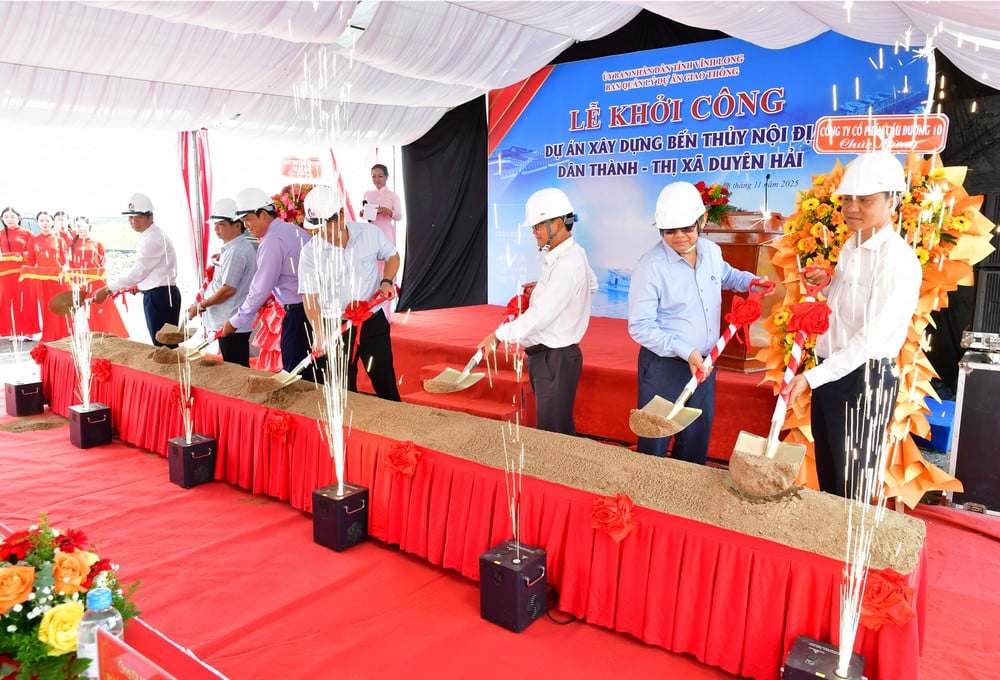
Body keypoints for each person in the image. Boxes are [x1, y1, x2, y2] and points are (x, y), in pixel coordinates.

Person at [786, 152, 921, 499]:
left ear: (892, 200)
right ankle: (828, 548)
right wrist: (826, 284)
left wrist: (812, 377)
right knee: (830, 475)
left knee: (853, 484)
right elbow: (845, 307)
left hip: (865, 380)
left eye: (865, 200)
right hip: (833, 375)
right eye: (848, 199)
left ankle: (847, 553)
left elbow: (872, 339)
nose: (852, 207)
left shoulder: (898, 260)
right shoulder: (851, 245)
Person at [627, 181, 757, 464]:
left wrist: (752, 281)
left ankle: (686, 504)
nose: (679, 236)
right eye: (670, 230)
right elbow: (640, 326)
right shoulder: (650, 267)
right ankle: (650, 501)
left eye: (687, 228)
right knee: (654, 448)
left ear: (702, 220)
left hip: (705, 365)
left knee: (695, 445)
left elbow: (727, 275)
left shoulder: (711, 251)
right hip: (665, 367)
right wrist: (686, 351)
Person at [478, 188, 595, 435]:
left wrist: (500, 335)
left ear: (558, 223)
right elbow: (591, 284)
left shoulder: (566, 264)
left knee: (552, 434)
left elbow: (539, 317)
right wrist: (543, 288)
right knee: (556, 428)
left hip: (554, 359)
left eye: (537, 226)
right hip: (554, 358)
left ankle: (557, 474)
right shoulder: (572, 254)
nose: (534, 233)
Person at [299, 185, 401, 400]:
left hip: (372, 321)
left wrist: (386, 281)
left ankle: (398, 423)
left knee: (385, 379)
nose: (322, 233)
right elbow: (309, 297)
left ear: (342, 215)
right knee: (342, 391)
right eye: (316, 228)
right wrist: (319, 332)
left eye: (326, 225)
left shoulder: (369, 233)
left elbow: (393, 256)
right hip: (335, 325)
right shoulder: (310, 253)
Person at [221, 187, 313, 380]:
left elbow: (259, 290)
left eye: (247, 219)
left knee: (296, 376)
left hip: (299, 315)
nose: (246, 225)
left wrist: (234, 322)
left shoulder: (271, 241)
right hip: (314, 311)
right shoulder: (293, 230)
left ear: (263, 215)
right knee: (312, 374)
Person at [93, 193, 180, 347]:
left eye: (139, 216)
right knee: (163, 345)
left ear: (150, 217)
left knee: (165, 346)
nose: (134, 221)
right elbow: (152, 270)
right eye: (131, 218)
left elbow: (138, 271)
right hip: (159, 294)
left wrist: (108, 289)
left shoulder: (153, 238)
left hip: (160, 297)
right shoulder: (149, 235)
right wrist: (140, 287)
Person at [186, 198, 256, 367]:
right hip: (228, 321)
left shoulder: (236, 252)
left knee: (235, 369)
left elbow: (227, 290)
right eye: (215, 224)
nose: (216, 228)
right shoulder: (232, 249)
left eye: (221, 224)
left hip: (232, 322)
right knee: (234, 366)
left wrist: (201, 306)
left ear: (237, 225)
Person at [67, 216, 128, 338]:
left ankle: (111, 332)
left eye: (84, 226)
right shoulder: (71, 245)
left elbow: (102, 262)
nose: (81, 229)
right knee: (88, 309)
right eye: (78, 226)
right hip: (82, 283)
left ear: (89, 227)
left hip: (97, 281)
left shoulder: (97, 243)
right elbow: (71, 264)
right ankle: (93, 333)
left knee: (104, 307)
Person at [20, 211, 71, 342]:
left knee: (61, 305)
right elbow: (31, 261)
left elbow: (65, 261)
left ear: (52, 222)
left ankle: (65, 333)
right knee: (47, 306)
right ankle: (50, 334)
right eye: (42, 220)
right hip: (43, 280)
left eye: (48, 220)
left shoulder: (59, 240)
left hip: (59, 279)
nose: (45, 223)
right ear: (38, 223)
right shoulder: (33, 241)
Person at [0, 207, 39, 338]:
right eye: (6, 217)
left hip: (24, 272)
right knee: (10, 301)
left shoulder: (28, 233)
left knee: (27, 300)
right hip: (6, 274)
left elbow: (34, 252)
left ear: (19, 218)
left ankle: (29, 331)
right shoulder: (1, 234)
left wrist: (21, 256)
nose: (9, 219)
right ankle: (13, 331)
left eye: (12, 217)